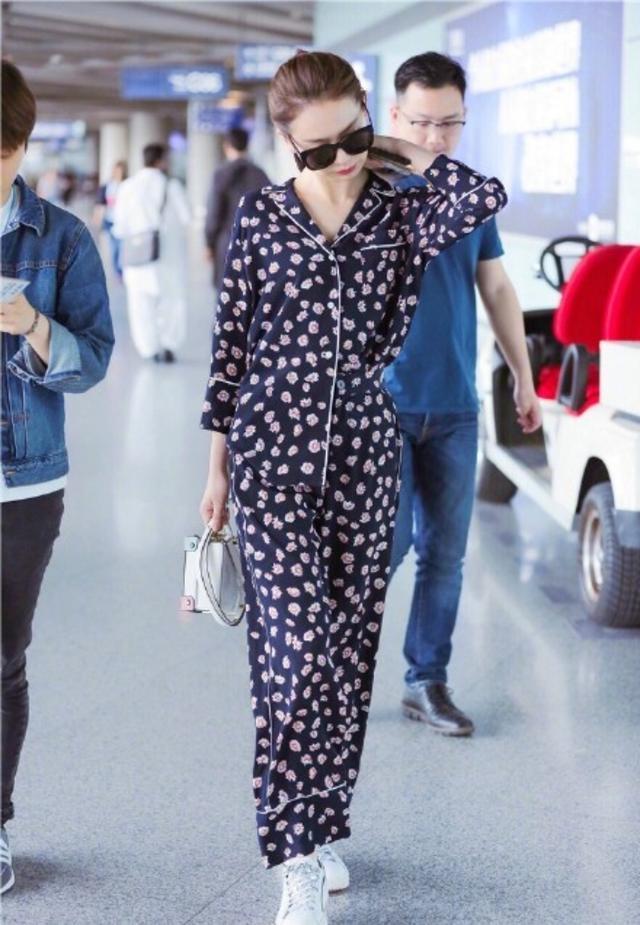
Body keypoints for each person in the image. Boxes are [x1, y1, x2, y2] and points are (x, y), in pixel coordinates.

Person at [198, 50, 507, 925]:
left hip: (367, 457)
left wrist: (391, 150)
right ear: (283, 144)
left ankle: (322, 821)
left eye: (352, 137)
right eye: (317, 149)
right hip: (271, 459)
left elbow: (482, 194)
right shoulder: (262, 218)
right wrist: (215, 467)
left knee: (344, 656)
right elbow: (229, 349)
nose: (338, 160)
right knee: (293, 657)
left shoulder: (400, 212)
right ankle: (292, 854)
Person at [384, 52, 542, 736]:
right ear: (394, 116)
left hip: (453, 404)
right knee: (381, 547)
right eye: (422, 122)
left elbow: (497, 287)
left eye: (450, 123)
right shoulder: (367, 190)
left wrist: (523, 376)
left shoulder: (470, 195)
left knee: (444, 556)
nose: (436, 137)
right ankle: (332, 676)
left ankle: (426, 680)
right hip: (381, 405)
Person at [0, 60, 114, 895]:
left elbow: (94, 360)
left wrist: (34, 325)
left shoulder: (61, 239)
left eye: (2, 154)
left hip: (22, 486)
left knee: (2, 660)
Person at [113, 143, 189, 363]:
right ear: (161, 161)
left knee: (139, 304)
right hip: (167, 254)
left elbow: (119, 226)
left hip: (137, 255)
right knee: (171, 301)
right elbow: (186, 218)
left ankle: (149, 349)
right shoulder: (171, 186)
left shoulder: (127, 187)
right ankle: (169, 345)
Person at [204, 127, 270, 292]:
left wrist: (209, 244)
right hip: (255, 243)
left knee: (226, 293)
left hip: (227, 242)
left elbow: (214, 213)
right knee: (253, 293)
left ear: (226, 146)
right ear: (247, 145)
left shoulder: (221, 174)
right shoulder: (260, 174)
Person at [94, 159, 127, 279]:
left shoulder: (127, 185)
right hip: (110, 220)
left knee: (122, 246)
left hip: (123, 222)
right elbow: (100, 203)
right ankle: (118, 271)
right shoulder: (107, 187)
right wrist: (97, 218)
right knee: (114, 248)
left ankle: (122, 269)